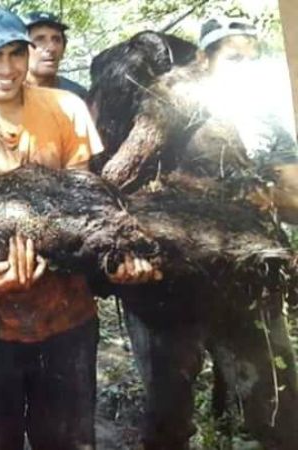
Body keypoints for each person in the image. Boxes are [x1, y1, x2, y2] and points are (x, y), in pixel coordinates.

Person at [0, 8, 156, 449]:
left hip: (66, 320)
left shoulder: (66, 109)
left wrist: (120, 256)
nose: (6, 69)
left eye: (15, 54)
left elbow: (83, 209)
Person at [119, 18, 298, 450]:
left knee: (278, 406)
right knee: (169, 414)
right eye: (233, 59)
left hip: (246, 282)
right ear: (203, 58)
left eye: (251, 61)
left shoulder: (266, 117)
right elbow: (121, 182)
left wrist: (266, 199)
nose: (244, 70)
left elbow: (292, 189)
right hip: (169, 287)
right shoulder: (171, 104)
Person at [24, 11, 89, 99]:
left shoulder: (76, 96)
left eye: (56, 40)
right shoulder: (7, 94)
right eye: (40, 40)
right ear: (21, 50)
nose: (51, 48)